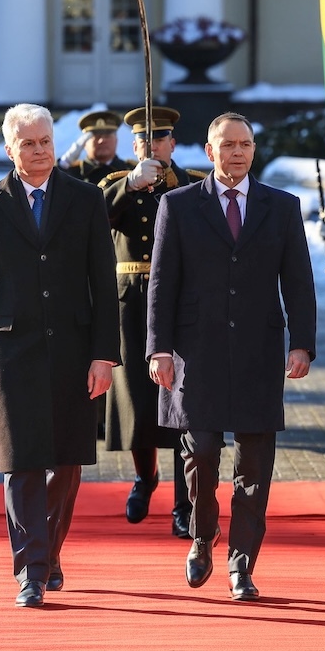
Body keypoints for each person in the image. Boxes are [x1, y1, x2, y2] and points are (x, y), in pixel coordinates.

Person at [146, 111, 317, 601]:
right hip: (194, 353)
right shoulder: (178, 207)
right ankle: (202, 537)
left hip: (258, 353)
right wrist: (157, 348)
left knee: (254, 465)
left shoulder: (281, 207)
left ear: (253, 151)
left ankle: (242, 564)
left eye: (245, 144)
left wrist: (301, 343)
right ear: (209, 151)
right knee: (200, 452)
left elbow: (299, 280)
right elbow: (161, 283)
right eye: (228, 145)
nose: (237, 152)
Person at [0, 103, 119, 608]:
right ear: (10, 149)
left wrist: (104, 355)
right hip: (10, 352)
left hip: (74, 351)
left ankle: (48, 552)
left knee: (68, 463)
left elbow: (102, 281)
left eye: (45, 141)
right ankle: (31, 570)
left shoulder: (86, 199)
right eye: (28, 143)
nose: (39, 150)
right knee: (22, 462)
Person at [101, 106, 201, 537]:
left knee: (181, 401)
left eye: (159, 140)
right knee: (139, 402)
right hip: (130, 304)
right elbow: (92, 220)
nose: (152, 146)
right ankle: (145, 478)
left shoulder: (194, 184)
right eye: (143, 140)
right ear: (134, 146)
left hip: (180, 305)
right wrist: (130, 183)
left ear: (173, 144)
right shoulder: (113, 185)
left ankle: (185, 501)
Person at [59, 109, 134, 186]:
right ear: (84, 142)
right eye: (96, 136)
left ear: (116, 140)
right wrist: (65, 163)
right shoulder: (71, 172)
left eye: (107, 136)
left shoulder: (130, 171)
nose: (101, 140)